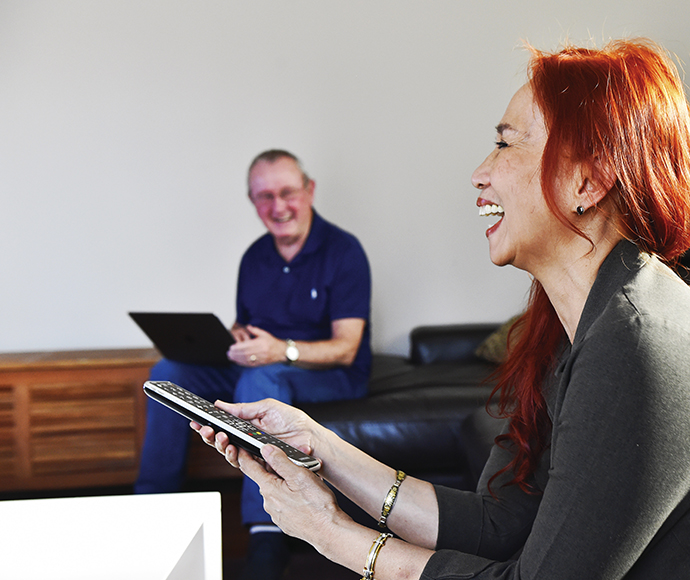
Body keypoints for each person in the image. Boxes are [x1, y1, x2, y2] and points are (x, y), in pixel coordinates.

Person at [193, 39, 690, 579]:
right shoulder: (564, 332)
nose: (480, 173)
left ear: (587, 181)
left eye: (505, 145)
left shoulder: (634, 344)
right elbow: (499, 525)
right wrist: (321, 446)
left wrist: (330, 533)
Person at [135, 149, 372, 579]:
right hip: (265, 365)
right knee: (168, 372)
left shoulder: (344, 250)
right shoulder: (255, 257)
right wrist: (237, 336)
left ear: (309, 190)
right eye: (265, 197)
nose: (278, 207)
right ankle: (154, 508)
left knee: (261, 375)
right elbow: (245, 322)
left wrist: (281, 350)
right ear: (253, 201)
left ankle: (266, 532)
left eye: (287, 193)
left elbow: (346, 347)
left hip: (332, 374)